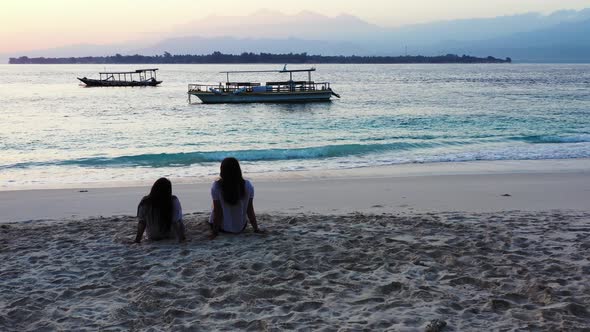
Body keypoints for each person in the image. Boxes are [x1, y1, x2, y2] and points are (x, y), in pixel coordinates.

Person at [209, 157, 263, 239]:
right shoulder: (248, 185)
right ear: (238, 169)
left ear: (222, 170)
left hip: (224, 229)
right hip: (241, 227)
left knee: (215, 206)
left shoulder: (217, 186)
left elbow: (218, 212)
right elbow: (250, 210)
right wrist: (256, 229)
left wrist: (214, 233)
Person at [135, 177, 186, 243]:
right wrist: (182, 239)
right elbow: (176, 222)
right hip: (171, 235)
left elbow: (142, 223)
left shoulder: (145, 202)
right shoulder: (173, 200)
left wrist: (137, 240)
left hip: (152, 236)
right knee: (179, 220)